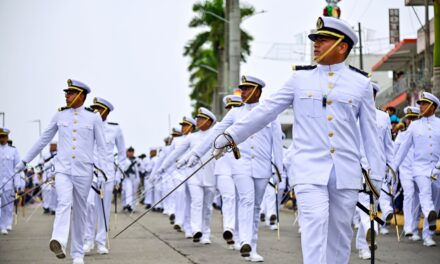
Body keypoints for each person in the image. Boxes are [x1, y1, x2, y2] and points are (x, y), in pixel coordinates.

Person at [209, 16, 383, 264]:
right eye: (315, 39)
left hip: (346, 172)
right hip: (309, 170)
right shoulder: (299, 79)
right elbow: (266, 110)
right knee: (314, 222)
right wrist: (231, 135)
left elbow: (370, 134)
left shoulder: (361, 84)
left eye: (322, 39)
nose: (315, 44)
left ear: (342, 46)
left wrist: (376, 177)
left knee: (340, 233)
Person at [187, 75, 283, 262]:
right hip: (241, 165)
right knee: (247, 200)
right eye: (243, 89)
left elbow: (277, 144)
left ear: (258, 91)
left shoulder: (269, 113)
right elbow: (214, 134)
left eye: (247, 89)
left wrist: (279, 171)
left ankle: (251, 247)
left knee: (255, 206)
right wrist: (197, 154)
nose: (243, 92)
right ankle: (245, 241)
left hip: (262, 167)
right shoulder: (235, 113)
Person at [14, 79, 106, 264]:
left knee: (80, 212)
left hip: (84, 171)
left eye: (70, 93)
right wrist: (24, 161)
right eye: (66, 93)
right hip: (63, 169)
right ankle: (59, 241)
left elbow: (102, 148)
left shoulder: (93, 117)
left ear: (81, 96)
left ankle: (78, 254)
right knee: (64, 202)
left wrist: (104, 173)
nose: (66, 96)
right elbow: (43, 140)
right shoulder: (59, 116)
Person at [393, 92, 440, 247]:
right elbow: (403, 150)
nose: (421, 107)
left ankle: (428, 233)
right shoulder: (414, 127)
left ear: (432, 107)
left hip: (437, 168)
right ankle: (428, 219)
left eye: (424, 104)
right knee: (425, 194)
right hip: (420, 168)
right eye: (420, 104)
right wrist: (393, 168)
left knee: (435, 200)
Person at [83, 97, 127, 255]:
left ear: (106, 112)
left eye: (98, 109)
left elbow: (122, 155)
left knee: (103, 209)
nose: (95, 111)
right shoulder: (87, 127)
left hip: (108, 174)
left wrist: (118, 175)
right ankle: (88, 240)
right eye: (93, 108)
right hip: (89, 174)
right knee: (89, 206)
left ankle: (101, 242)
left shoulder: (115, 129)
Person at [215, 95, 243, 249]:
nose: (232, 110)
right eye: (230, 108)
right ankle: (229, 229)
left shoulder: (247, 125)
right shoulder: (220, 126)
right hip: (223, 168)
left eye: (236, 107)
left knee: (240, 201)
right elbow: (211, 141)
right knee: (229, 198)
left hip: (241, 167)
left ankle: (238, 237)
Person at [393, 106, 421, 241]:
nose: (411, 121)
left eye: (414, 118)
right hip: (405, 170)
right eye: (410, 119)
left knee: (418, 198)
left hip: (419, 169)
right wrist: (392, 169)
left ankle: (414, 228)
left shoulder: (421, 134)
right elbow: (395, 152)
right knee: (409, 194)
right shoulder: (402, 134)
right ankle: (408, 227)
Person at [0, 128, 23, 235]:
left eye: (4, 136)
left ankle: (7, 223)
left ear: (7, 137)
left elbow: (17, 168)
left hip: (8, 182)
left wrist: (17, 182)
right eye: (0, 136)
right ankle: (2, 225)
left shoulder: (13, 150)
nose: (2, 139)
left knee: (7, 205)